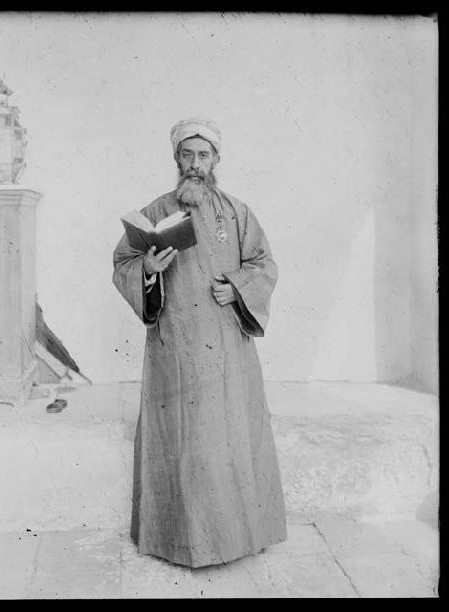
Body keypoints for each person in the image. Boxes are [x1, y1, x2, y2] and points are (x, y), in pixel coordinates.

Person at [112, 118, 287, 568]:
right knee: (182, 445)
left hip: (226, 346)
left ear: (216, 161)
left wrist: (238, 286)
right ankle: (177, 541)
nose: (194, 164)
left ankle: (236, 538)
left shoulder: (236, 211)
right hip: (175, 346)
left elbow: (263, 263)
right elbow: (124, 264)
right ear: (176, 159)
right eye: (186, 155)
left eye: (203, 155)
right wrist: (148, 267)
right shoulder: (155, 211)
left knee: (228, 440)